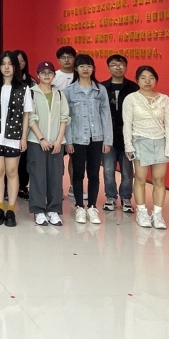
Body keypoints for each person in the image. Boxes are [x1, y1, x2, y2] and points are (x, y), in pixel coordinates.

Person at [0, 51, 32, 227]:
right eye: (3, 64)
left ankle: (11, 208)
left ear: (15, 66)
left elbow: (26, 115)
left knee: (11, 171)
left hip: (14, 136)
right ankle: (0, 206)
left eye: (10, 64)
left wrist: (23, 137)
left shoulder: (23, 88)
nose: (7, 67)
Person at [123, 66, 169, 230]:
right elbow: (127, 124)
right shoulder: (131, 99)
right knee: (140, 178)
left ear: (156, 80)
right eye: (143, 77)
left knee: (159, 180)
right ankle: (141, 212)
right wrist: (128, 145)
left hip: (160, 141)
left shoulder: (164, 99)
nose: (147, 81)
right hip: (140, 141)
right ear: (137, 80)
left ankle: (157, 214)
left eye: (151, 77)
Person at [63, 54, 112, 225]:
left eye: (89, 66)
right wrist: (68, 141)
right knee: (77, 173)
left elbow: (106, 115)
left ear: (93, 69)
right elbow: (66, 118)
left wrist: (108, 140)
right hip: (77, 138)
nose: (85, 69)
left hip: (96, 138)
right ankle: (79, 207)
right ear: (76, 69)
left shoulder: (100, 90)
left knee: (94, 174)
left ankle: (91, 207)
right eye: (82, 66)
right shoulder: (69, 91)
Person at [27, 61, 70, 226]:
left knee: (55, 177)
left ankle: (53, 210)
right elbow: (30, 117)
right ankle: (39, 210)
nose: (46, 75)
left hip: (57, 143)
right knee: (38, 176)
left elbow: (64, 117)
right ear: (37, 75)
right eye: (43, 72)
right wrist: (41, 139)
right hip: (36, 142)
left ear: (54, 75)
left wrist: (59, 140)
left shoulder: (59, 94)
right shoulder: (31, 93)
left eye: (50, 72)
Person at [101, 54, 140, 214]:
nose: (118, 67)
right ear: (108, 68)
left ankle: (126, 199)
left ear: (126, 66)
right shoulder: (102, 87)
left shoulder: (133, 88)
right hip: (108, 136)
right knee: (108, 170)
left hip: (127, 136)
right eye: (114, 65)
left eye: (121, 64)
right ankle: (110, 197)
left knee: (127, 171)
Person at [52, 45, 80, 200]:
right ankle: (56, 189)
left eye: (70, 56)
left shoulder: (80, 75)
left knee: (75, 159)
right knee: (57, 159)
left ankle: (74, 187)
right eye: (63, 57)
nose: (67, 60)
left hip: (76, 124)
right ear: (58, 60)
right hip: (58, 124)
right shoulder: (54, 76)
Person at [13, 49, 35, 201]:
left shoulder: (31, 81)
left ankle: (22, 186)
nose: (20, 63)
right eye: (17, 60)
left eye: (22, 60)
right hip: (9, 126)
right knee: (10, 157)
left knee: (24, 158)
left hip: (26, 125)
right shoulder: (6, 80)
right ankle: (8, 187)